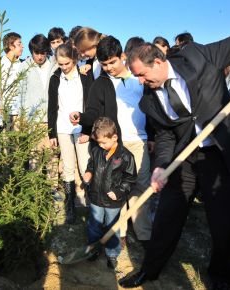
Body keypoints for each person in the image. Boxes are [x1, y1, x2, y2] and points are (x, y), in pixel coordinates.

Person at [118, 28, 230, 290]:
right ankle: (150, 269)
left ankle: (221, 276)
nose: (140, 82)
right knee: (167, 215)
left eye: (142, 75)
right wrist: (161, 166)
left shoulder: (197, 56)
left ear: (158, 62)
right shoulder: (150, 100)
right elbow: (165, 136)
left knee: (223, 222)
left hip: (222, 153)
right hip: (186, 158)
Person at [70, 36, 153, 248]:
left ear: (123, 57)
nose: (109, 68)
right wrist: (81, 117)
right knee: (116, 189)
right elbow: (93, 112)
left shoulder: (139, 79)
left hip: (140, 142)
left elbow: (153, 109)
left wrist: (152, 136)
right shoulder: (100, 84)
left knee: (140, 187)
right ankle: (119, 233)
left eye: (112, 62)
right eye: (104, 64)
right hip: (116, 145)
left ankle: (144, 234)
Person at [48, 42, 94, 223]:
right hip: (62, 129)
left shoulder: (85, 75)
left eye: (67, 63)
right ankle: (70, 209)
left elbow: (90, 104)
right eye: (61, 64)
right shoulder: (55, 78)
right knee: (67, 168)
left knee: (84, 167)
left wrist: (88, 129)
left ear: (74, 60)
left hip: (82, 128)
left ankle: (94, 206)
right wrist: (51, 133)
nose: (64, 67)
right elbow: (52, 107)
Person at [83, 117, 137, 270]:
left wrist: (119, 191)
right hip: (95, 197)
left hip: (113, 201)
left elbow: (131, 178)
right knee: (94, 225)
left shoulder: (126, 156)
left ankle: (112, 254)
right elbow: (91, 165)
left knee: (112, 227)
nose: (101, 145)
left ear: (114, 137)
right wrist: (89, 172)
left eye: (104, 142)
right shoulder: (96, 151)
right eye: (98, 142)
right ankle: (93, 249)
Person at [19, 34, 59, 196]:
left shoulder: (54, 65)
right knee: (34, 156)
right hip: (33, 120)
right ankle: (35, 190)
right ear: (32, 52)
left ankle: (53, 188)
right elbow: (21, 93)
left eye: (43, 52)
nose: (40, 56)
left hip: (51, 119)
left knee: (52, 156)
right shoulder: (25, 67)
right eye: (37, 53)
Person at [0, 32, 24, 118]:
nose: (22, 46)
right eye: (19, 44)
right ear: (11, 46)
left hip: (19, 114)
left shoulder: (23, 64)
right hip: (3, 113)